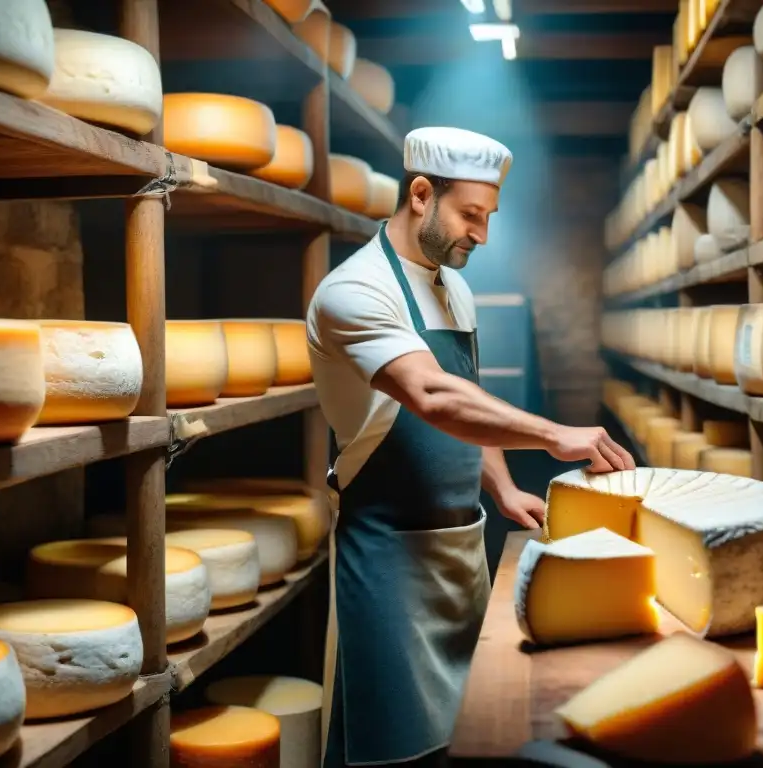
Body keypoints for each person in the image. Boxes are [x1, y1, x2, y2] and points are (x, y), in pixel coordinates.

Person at [307, 126, 635, 767]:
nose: (481, 235)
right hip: (387, 554)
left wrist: (504, 485)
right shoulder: (354, 291)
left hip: (461, 545)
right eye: (471, 216)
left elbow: (469, 400)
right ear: (421, 194)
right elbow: (432, 395)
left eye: (488, 218)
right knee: (395, 746)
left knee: (467, 735)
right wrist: (553, 433)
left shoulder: (454, 287)